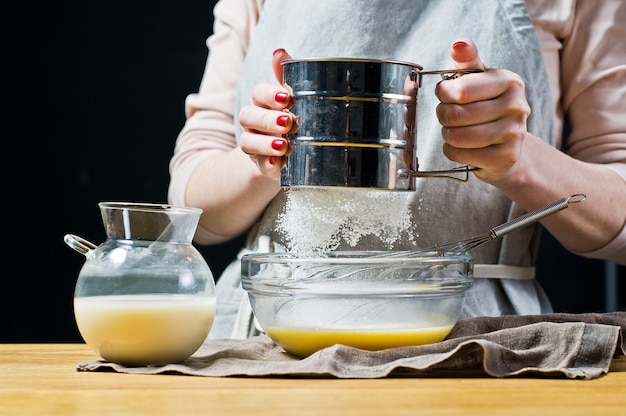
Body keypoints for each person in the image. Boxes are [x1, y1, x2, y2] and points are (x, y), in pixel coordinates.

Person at [168, 0, 626, 339]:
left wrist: (520, 162)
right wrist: (262, 160)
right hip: (272, 331)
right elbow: (192, 211)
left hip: (477, 341)